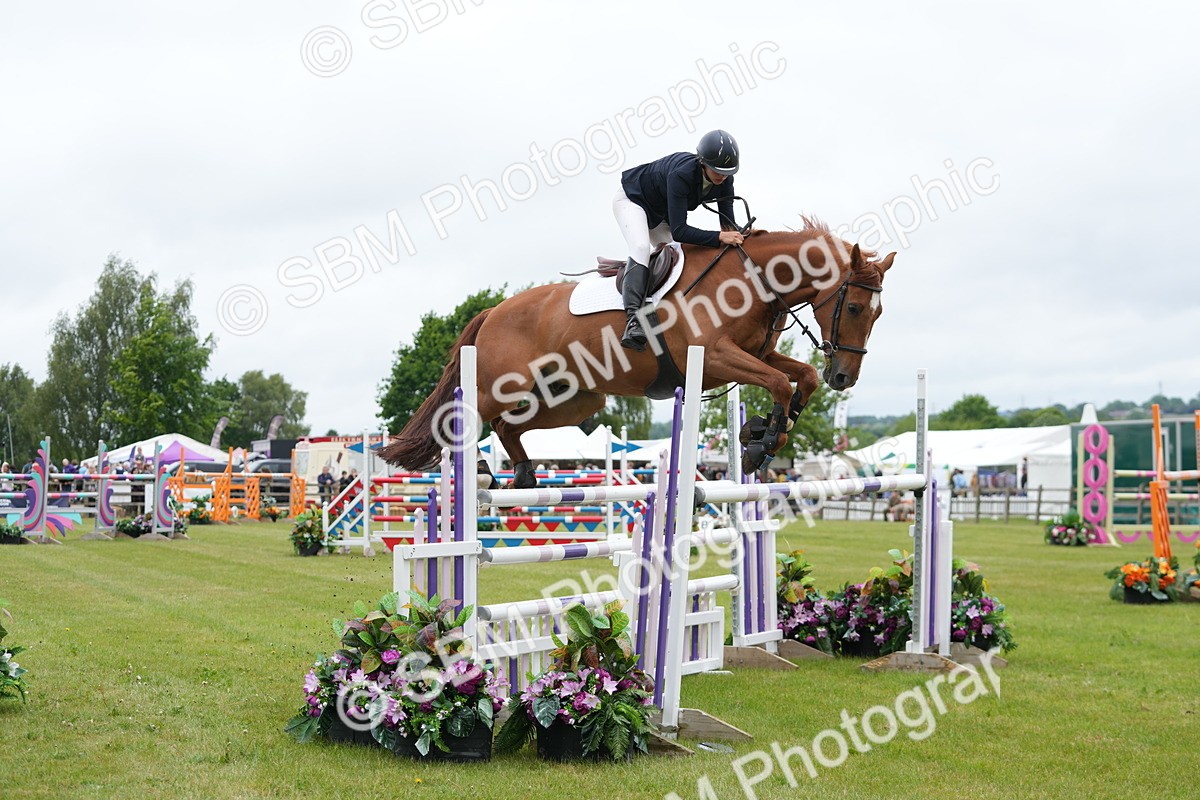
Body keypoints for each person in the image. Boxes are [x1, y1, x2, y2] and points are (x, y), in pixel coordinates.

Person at [614, 129, 744, 350]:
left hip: (659, 215)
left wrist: (744, 239)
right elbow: (680, 231)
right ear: (703, 162)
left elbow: (728, 224)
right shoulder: (682, 174)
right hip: (633, 201)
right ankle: (633, 320)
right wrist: (720, 237)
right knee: (641, 246)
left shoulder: (725, 181)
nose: (721, 176)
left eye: (726, 172)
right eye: (716, 170)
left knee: (680, 256)